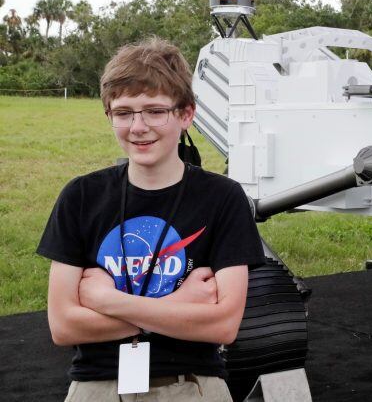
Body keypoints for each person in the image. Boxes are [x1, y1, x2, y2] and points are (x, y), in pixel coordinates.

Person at [37, 37, 265, 401]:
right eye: (124, 112)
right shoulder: (81, 197)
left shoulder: (222, 198)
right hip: (98, 382)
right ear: (109, 115)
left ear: (186, 114)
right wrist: (179, 304)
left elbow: (223, 326)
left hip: (192, 381)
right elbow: (63, 326)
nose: (138, 126)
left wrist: (105, 300)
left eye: (155, 111)